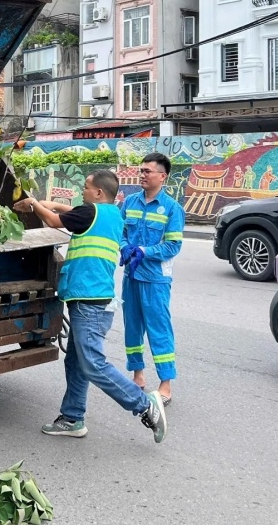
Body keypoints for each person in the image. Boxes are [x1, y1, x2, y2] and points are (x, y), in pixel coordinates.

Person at [13, 170, 167, 444]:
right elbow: (74, 213)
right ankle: (72, 418)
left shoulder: (89, 212)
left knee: (92, 363)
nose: (81, 191)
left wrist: (34, 204)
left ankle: (143, 404)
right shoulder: (111, 214)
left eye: (85, 187)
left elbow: (53, 220)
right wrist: (57, 205)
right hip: (94, 298)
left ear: (98, 193)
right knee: (76, 361)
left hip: (90, 300)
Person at [119, 152, 185, 405]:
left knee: (159, 330)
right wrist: (125, 246)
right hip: (131, 276)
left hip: (156, 280)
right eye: (141, 170)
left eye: (148, 171)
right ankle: (138, 376)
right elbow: (122, 232)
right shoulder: (130, 202)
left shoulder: (171, 209)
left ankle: (165, 384)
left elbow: (172, 247)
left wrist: (144, 251)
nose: (142, 174)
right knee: (132, 328)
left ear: (162, 176)